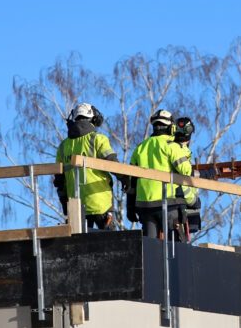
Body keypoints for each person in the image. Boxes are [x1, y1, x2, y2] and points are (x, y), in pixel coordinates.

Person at [54, 103, 126, 230]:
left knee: (81, 248)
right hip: (101, 205)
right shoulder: (98, 139)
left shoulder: (63, 147)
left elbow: (59, 181)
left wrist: (65, 204)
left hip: (76, 208)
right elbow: (113, 164)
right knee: (111, 246)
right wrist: (127, 180)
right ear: (93, 119)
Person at [129, 109, 193, 239]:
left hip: (145, 205)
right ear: (171, 127)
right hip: (168, 202)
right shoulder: (171, 145)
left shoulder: (140, 147)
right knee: (174, 246)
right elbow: (186, 171)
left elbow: (131, 180)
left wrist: (130, 206)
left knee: (150, 246)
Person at [168, 117, 201, 242]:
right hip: (179, 204)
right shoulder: (177, 150)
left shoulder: (173, 148)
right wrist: (194, 202)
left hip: (174, 203)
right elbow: (185, 176)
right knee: (178, 246)